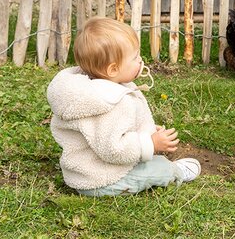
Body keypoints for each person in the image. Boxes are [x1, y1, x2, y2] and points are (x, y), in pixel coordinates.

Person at [47, 17, 201, 196]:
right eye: (135, 57)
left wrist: (144, 131)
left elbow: (110, 131)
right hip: (101, 180)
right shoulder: (110, 103)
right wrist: (149, 142)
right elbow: (114, 149)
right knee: (158, 167)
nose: (140, 60)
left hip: (85, 173)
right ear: (113, 69)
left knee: (149, 159)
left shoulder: (93, 89)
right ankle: (175, 173)